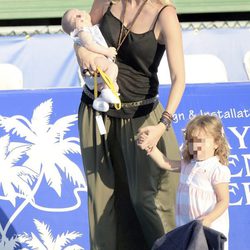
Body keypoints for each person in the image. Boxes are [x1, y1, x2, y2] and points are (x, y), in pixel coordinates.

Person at [74, 0, 185, 249]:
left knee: (148, 201)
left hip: (143, 117)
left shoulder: (164, 13)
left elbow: (179, 79)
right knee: (101, 202)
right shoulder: (107, 1)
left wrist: (163, 123)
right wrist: (80, 50)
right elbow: (80, 30)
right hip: (96, 110)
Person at [138, 115, 231, 250]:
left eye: (202, 141)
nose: (196, 146)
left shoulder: (217, 169)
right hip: (187, 226)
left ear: (216, 143)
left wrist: (208, 219)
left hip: (209, 229)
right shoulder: (188, 164)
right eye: (192, 141)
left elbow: (223, 201)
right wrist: (149, 146)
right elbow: (165, 163)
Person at [61, 8, 120, 112]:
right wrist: (107, 52)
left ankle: (101, 101)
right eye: (77, 16)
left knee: (114, 87)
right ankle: (106, 90)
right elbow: (89, 44)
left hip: (93, 74)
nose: (81, 14)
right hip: (95, 61)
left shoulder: (86, 30)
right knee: (112, 68)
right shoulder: (83, 31)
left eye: (80, 12)